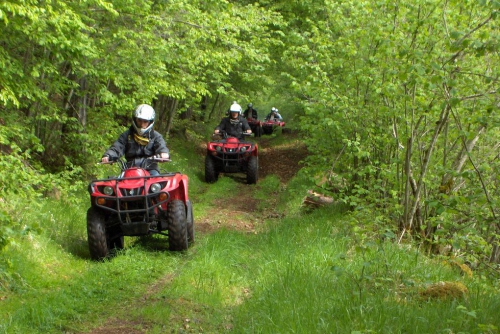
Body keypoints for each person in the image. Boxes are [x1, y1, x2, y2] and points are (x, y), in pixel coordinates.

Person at [101, 104, 170, 176]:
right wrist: (108, 155)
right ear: (135, 120)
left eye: (145, 121)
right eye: (139, 120)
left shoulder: (156, 136)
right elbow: (117, 147)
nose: (142, 124)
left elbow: (161, 146)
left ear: (150, 122)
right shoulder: (127, 135)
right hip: (129, 169)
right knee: (116, 185)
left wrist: (163, 153)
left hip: (151, 169)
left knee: (158, 184)